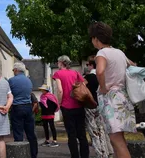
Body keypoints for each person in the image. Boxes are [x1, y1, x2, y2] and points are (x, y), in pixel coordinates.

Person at [89, 22, 136, 158]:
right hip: (123, 97)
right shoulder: (119, 52)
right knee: (119, 139)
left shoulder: (102, 53)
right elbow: (132, 65)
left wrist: (103, 87)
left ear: (96, 38)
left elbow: (100, 71)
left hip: (111, 100)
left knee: (116, 140)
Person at [53, 55, 89, 158]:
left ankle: (75, 156)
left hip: (67, 107)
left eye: (58, 62)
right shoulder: (75, 73)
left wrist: (59, 103)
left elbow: (60, 90)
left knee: (71, 134)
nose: (57, 64)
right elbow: (84, 86)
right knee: (82, 134)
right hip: (79, 105)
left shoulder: (58, 74)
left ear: (61, 62)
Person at [84, 59, 114, 158]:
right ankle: (107, 151)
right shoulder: (102, 77)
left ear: (92, 65)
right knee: (102, 129)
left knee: (94, 131)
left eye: (88, 64)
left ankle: (100, 154)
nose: (87, 66)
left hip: (90, 105)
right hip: (101, 105)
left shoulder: (88, 78)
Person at [9, 62, 38, 158]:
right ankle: (34, 154)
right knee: (31, 133)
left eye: (13, 70)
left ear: (16, 70)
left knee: (18, 134)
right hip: (28, 107)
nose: (13, 72)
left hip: (17, 107)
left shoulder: (11, 81)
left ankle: (19, 155)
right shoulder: (28, 81)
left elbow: (9, 95)